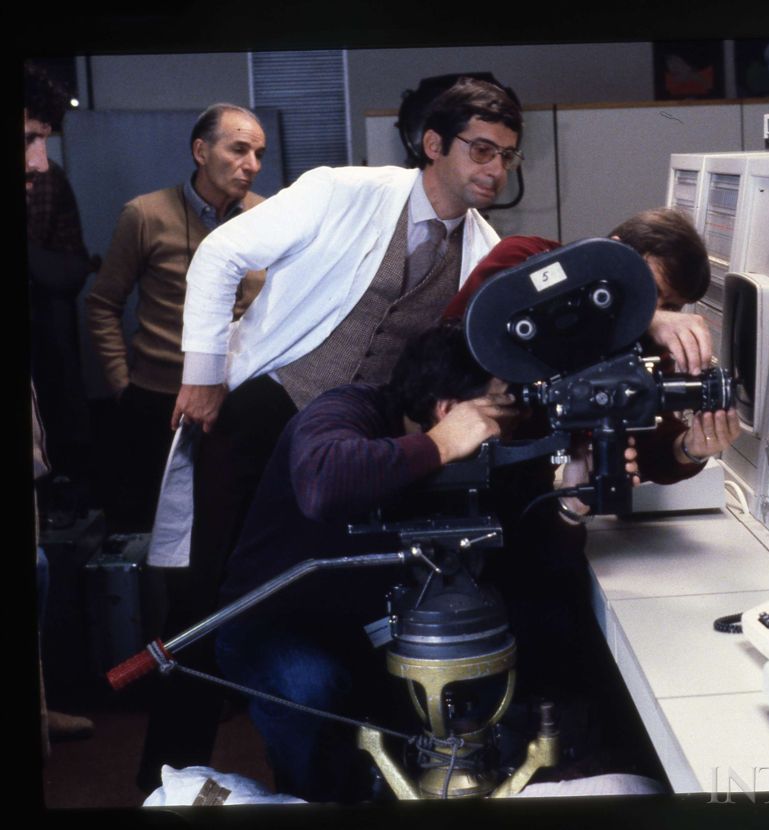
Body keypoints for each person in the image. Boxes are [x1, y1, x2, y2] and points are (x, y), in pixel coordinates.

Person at [138, 77, 523, 789]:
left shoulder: (483, 246)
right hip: (267, 411)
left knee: (330, 597)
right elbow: (220, 254)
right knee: (206, 598)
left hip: (359, 443)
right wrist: (202, 373)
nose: (495, 171)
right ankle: (169, 775)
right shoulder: (343, 191)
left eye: (505, 156)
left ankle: (320, 758)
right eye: (480, 151)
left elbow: (538, 293)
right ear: (432, 146)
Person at [213, 322, 552, 802]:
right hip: (277, 622)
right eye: (499, 407)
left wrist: (570, 503)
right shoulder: (345, 410)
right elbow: (323, 481)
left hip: (384, 625)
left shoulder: (481, 447)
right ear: (449, 411)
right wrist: (439, 445)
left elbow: (531, 542)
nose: (510, 421)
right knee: (313, 689)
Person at [444, 206, 742, 481]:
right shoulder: (524, 255)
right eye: (651, 291)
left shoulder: (641, 347)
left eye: (671, 307)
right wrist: (645, 315)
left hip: (525, 486)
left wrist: (689, 447)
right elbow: (468, 334)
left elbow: (648, 446)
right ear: (614, 252)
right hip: (451, 458)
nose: (660, 312)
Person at [85, 103, 269, 532]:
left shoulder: (267, 215)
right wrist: (120, 384)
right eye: (239, 149)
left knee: (235, 527)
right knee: (160, 531)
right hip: (159, 401)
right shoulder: (146, 215)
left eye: (259, 154)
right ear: (201, 151)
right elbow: (103, 304)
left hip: (241, 400)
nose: (251, 166)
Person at [25, 64, 93, 509]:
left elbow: (72, 269)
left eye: (43, 139)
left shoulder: (51, 182)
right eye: (29, 138)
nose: (40, 162)